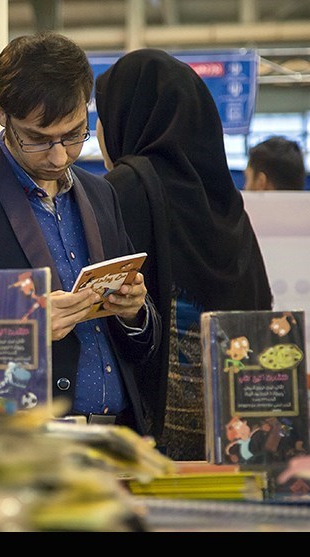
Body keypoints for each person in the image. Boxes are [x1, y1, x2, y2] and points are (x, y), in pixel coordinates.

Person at [0, 32, 161, 434]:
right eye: (38, 140)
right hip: (22, 443)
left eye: (74, 134)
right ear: (0, 111)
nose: (59, 156)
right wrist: (26, 331)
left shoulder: (101, 194)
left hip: (119, 435)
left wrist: (134, 313)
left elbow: (139, 342)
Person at [94, 48, 273, 459]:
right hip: (237, 433)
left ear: (126, 116)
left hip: (150, 439)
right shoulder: (225, 201)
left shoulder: (124, 189)